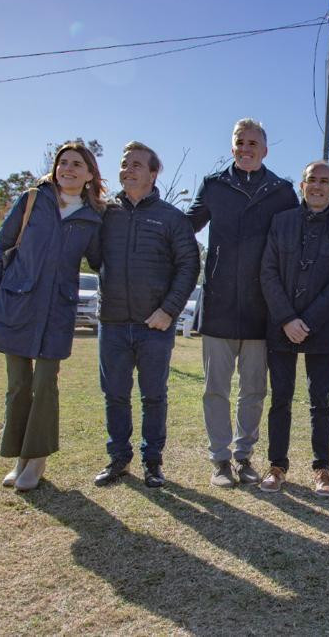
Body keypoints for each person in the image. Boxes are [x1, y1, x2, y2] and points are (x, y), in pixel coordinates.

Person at [0, 141, 106, 491]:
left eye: (77, 164)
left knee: (45, 384)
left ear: (89, 173)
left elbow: (99, 260)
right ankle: (19, 456)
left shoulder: (93, 217)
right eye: (63, 162)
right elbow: (2, 244)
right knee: (18, 384)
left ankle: (36, 461)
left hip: (57, 310)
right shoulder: (33, 199)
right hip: (18, 302)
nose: (68, 168)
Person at [186, 118, 298, 488]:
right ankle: (219, 459)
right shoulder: (214, 186)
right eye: (240, 141)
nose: (246, 148)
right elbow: (187, 227)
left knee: (254, 389)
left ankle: (244, 455)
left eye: (253, 143)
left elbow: (296, 240)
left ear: (265, 150)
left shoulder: (282, 191)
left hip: (261, 308)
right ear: (232, 146)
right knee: (215, 388)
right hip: (218, 303)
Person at [93, 141, 200, 488]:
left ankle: (153, 462)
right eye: (125, 164)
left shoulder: (171, 218)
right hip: (112, 323)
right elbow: (93, 258)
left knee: (154, 396)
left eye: (137, 164)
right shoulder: (105, 214)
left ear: (154, 174)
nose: (128, 169)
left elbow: (188, 266)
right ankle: (118, 459)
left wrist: (169, 311)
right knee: (115, 396)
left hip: (154, 326)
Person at [257, 161, 329, 497]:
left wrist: (309, 321)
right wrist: (287, 318)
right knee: (280, 399)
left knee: (321, 402)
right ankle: (276, 466)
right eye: (311, 180)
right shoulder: (281, 221)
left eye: (324, 181)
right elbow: (268, 271)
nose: (317, 186)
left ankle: (322, 469)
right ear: (302, 185)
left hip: (324, 330)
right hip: (280, 328)